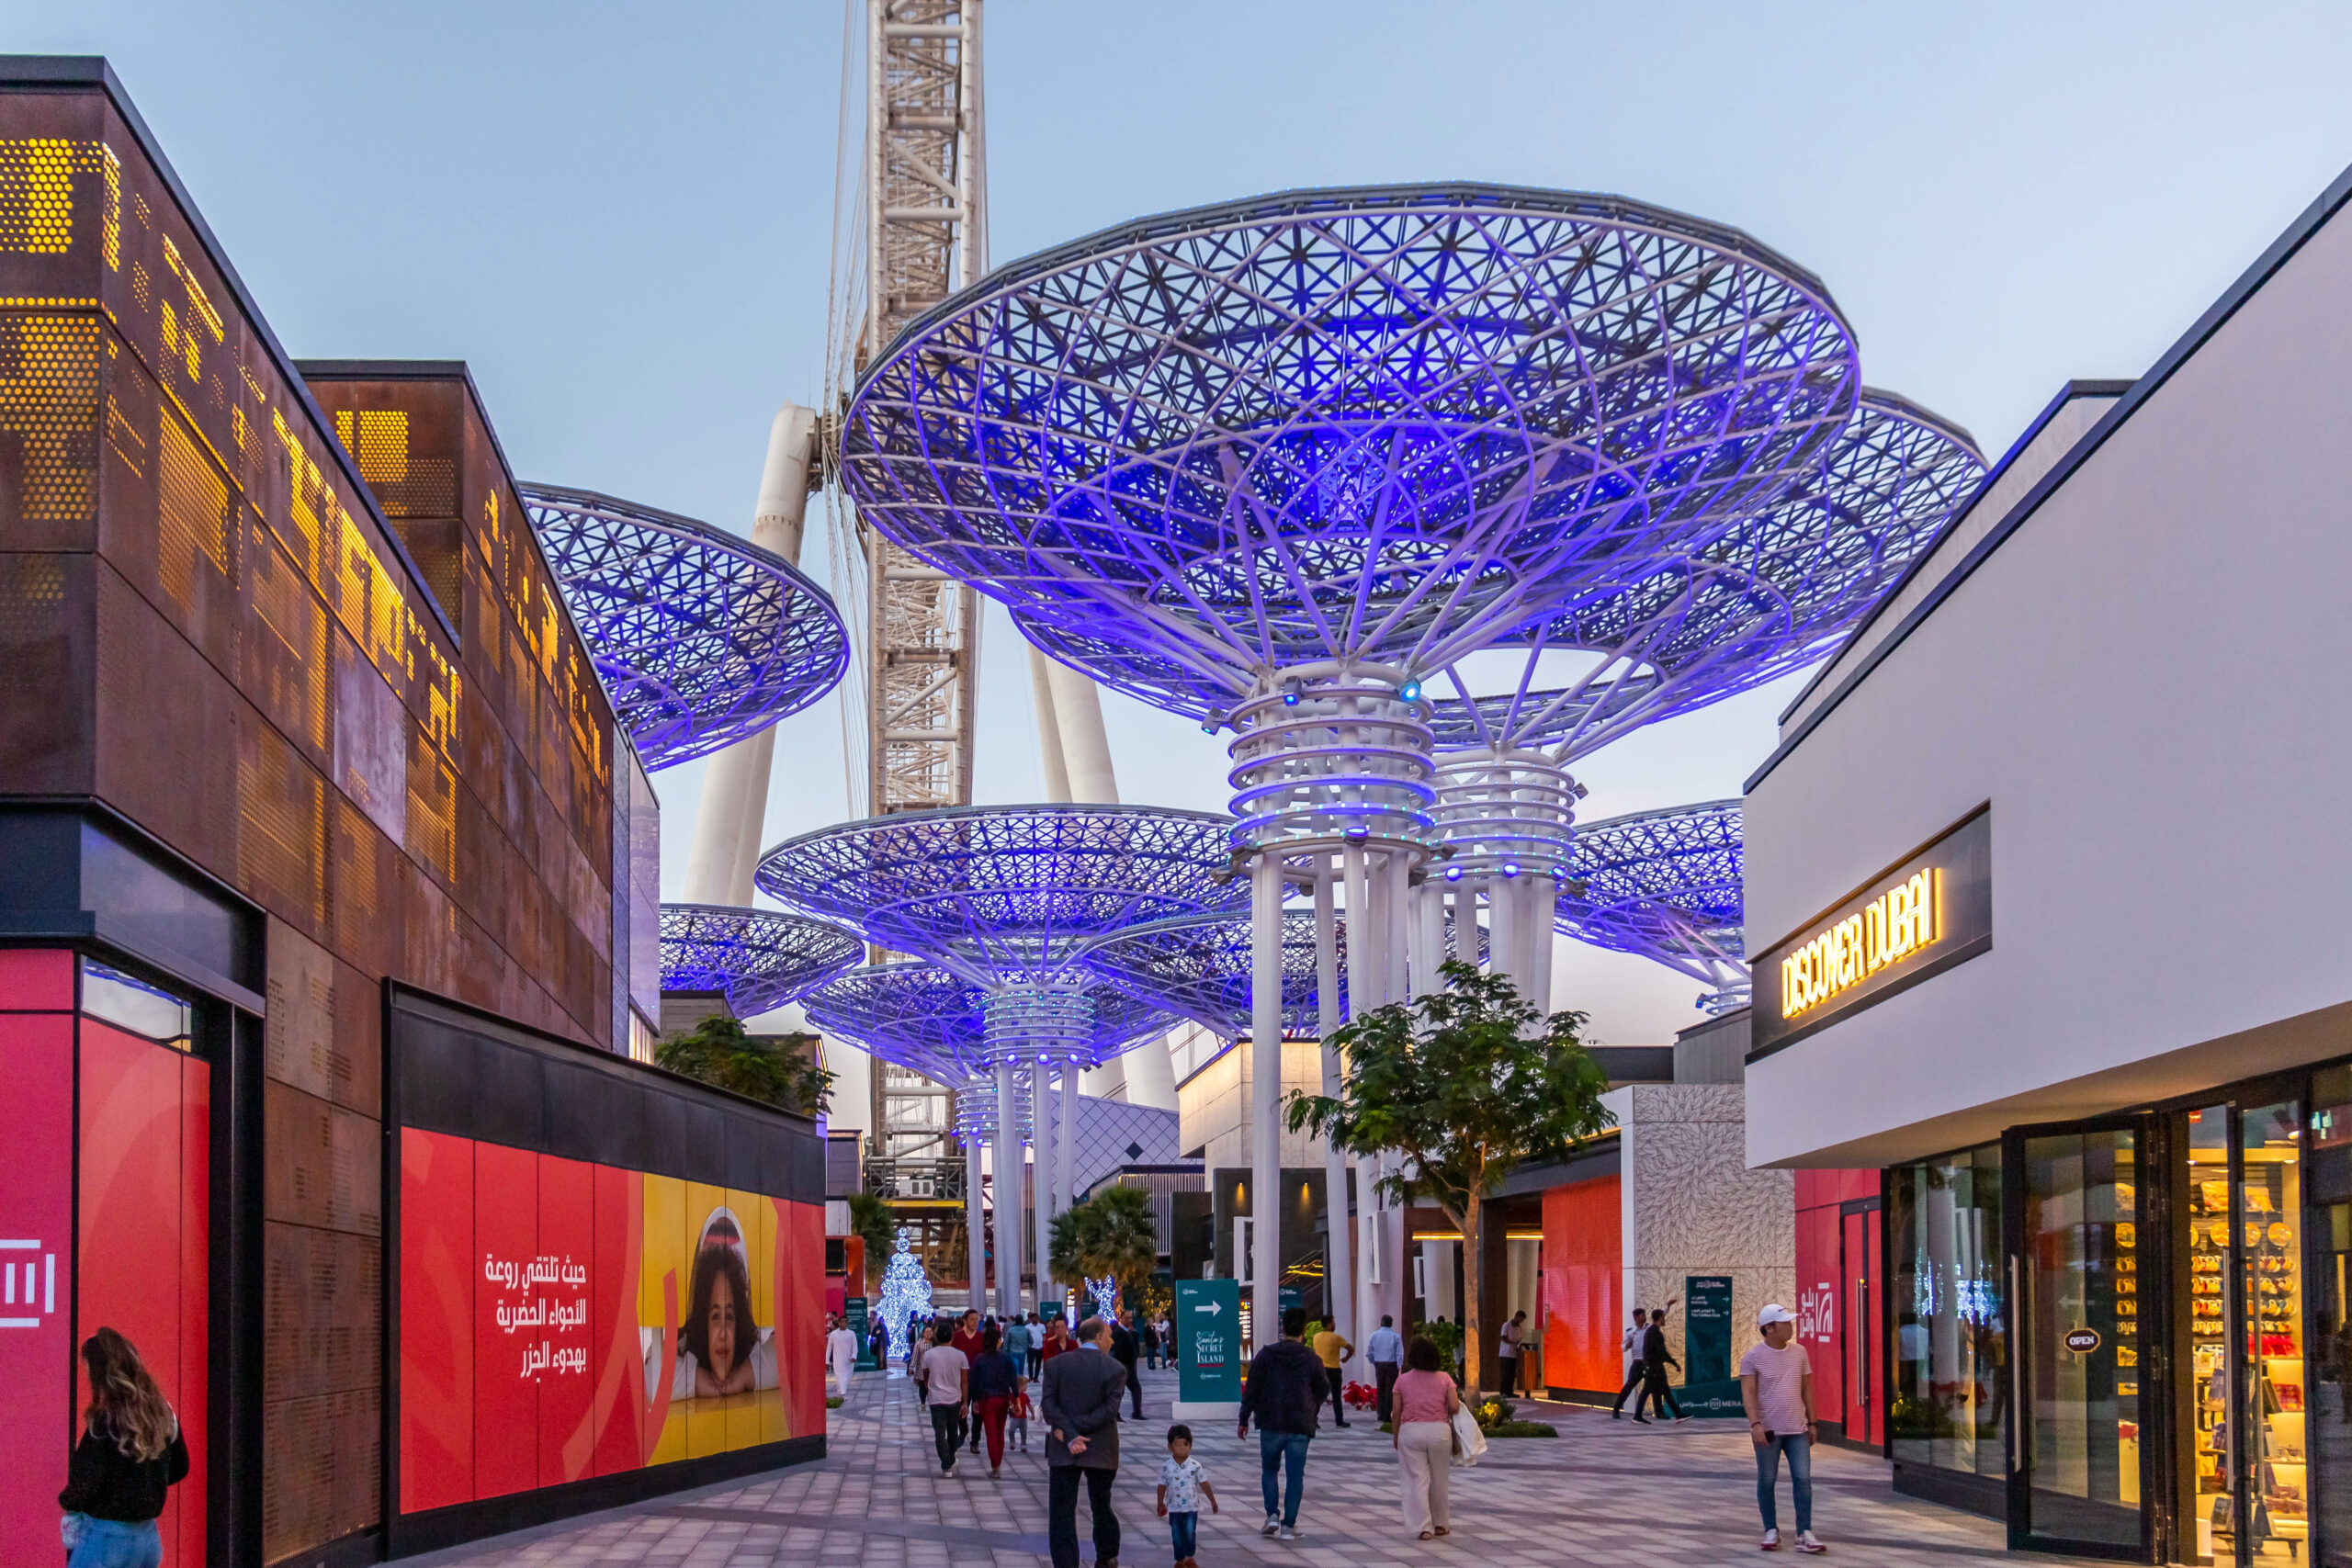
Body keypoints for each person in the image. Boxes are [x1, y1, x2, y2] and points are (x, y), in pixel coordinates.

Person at [59, 1327, 189, 1568]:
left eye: (88, 1369)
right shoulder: (161, 1411)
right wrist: (144, 1479)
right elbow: (180, 1467)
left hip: (105, 1540)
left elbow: (84, 1483)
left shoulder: (105, 1421)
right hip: (148, 1540)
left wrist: (67, 1501)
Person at [1043, 1315, 1128, 1568]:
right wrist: (1074, 1431)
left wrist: (1068, 1432)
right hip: (1101, 1448)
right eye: (1109, 1336)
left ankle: (1066, 1563)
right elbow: (1109, 1410)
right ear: (1099, 1338)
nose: (1112, 1342)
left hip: (1063, 1447)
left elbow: (1048, 1405)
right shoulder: (1115, 1369)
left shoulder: (1055, 1365)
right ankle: (1107, 1556)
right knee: (1101, 1505)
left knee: (1062, 1512)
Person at [1238, 1306, 1327, 1540]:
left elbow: (1252, 1389)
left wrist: (1243, 1418)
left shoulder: (1266, 1355)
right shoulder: (1312, 1359)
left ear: (1282, 1328)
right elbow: (1323, 1389)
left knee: (1269, 1469)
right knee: (1296, 1475)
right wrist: (1312, 1408)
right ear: (1304, 1330)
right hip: (1300, 1424)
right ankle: (1289, 1525)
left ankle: (1272, 1515)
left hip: (1270, 1422)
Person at [1742, 1303, 1826, 1554]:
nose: (1791, 1327)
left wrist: (1813, 1421)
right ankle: (1771, 1529)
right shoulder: (1752, 1358)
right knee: (1767, 1479)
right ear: (1768, 1328)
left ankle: (1804, 1532)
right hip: (1768, 1430)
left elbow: (1806, 1388)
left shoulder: (1799, 1352)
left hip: (1797, 1428)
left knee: (1803, 1479)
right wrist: (1755, 1424)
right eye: (1785, 1323)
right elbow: (1748, 1393)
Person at [1391, 1336, 1461, 1541]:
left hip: (1411, 1432)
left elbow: (1396, 1412)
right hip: (1440, 1432)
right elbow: (1454, 1407)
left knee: (1416, 1480)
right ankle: (1441, 1524)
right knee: (1439, 1479)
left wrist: (1396, 1436)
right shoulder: (1445, 1378)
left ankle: (1423, 1527)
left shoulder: (1402, 1380)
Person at [1157, 1423, 1218, 1568]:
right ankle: (1179, 1559)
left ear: (1190, 1446)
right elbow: (1161, 1485)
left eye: (1185, 1444)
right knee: (1176, 1535)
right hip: (1174, 1508)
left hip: (1191, 1507)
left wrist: (1213, 1501)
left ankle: (1190, 1557)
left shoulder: (1195, 1466)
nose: (1181, 1447)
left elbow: (1204, 1484)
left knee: (1190, 1533)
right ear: (1170, 1447)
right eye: (1177, 1444)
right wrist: (1160, 1503)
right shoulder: (1166, 1467)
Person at [969, 1323, 1023, 1476]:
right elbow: (1014, 1381)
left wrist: (975, 1400)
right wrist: (1017, 1399)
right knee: (1000, 1433)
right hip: (1003, 1399)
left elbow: (974, 1381)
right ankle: (998, 1462)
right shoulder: (1007, 1359)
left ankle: (995, 1467)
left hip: (986, 1399)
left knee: (991, 1434)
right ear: (999, 1341)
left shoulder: (980, 1359)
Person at [922, 1320, 970, 1475]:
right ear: (952, 1336)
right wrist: (965, 1401)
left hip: (936, 1399)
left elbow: (926, 1377)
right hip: (954, 1398)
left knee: (939, 1433)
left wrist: (931, 1389)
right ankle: (948, 1462)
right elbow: (964, 1381)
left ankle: (947, 1462)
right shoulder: (960, 1355)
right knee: (952, 1431)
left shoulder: (929, 1355)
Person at [1634, 1307, 1688, 1424]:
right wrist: (1674, 1363)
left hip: (1652, 1367)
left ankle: (1678, 1414)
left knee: (1661, 1392)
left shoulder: (1651, 1331)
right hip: (1655, 1369)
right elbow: (1661, 1352)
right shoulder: (1655, 1333)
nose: (1665, 1320)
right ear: (1660, 1318)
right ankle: (1637, 1416)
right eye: (1663, 1317)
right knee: (1653, 1391)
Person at [1310, 1320, 1353, 1427]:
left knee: (1318, 1396)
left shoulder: (1316, 1337)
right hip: (1334, 1369)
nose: (1334, 1324)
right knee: (1336, 1396)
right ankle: (1339, 1421)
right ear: (1329, 1324)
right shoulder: (1336, 1338)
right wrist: (1346, 1359)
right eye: (1333, 1322)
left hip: (1320, 1369)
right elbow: (1350, 1348)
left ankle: (1313, 1419)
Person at [1610, 1307, 1648, 1418]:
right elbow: (1623, 1347)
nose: (1644, 1317)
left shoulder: (1648, 1328)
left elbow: (1659, 1318)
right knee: (1629, 1386)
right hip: (1637, 1363)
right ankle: (1616, 1408)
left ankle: (1659, 1411)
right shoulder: (1631, 1332)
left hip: (1648, 1362)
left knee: (1654, 1386)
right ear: (1636, 1317)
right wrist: (1627, 1345)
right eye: (1642, 1315)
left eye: (1645, 1315)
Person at [1365, 1314, 1404, 1424]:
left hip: (1379, 1364)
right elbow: (1399, 1353)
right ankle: (1387, 1414)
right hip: (1392, 1364)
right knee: (1390, 1390)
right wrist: (1399, 1365)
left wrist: (1374, 1362)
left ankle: (1380, 1413)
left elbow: (1369, 1352)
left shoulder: (1374, 1335)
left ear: (1381, 1323)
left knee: (1380, 1389)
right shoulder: (1396, 1336)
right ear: (1391, 1324)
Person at [1113, 1309, 1144, 1419]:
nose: (1130, 1320)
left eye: (1131, 1318)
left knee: (1134, 1389)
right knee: (1120, 1392)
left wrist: (1134, 1333)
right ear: (1121, 1319)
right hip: (1124, 1367)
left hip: (1129, 1368)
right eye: (1127, 1318)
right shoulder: (1119, 1332)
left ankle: (1136, 1413)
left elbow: (1135, 1349)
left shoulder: (1128, 1332)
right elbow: (1119, 1351)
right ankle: (1116, 1414)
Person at [826, 1314, 860, 1402]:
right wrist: (826, 1361)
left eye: (845, 1322)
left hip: (849, 1360)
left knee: (847, 1377)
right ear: (839, 1323)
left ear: (847, 1323)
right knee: (840, 1377)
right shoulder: (833, 1334)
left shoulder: (851, 1334)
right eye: (842, 1322)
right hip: (838, 1360)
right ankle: (842, 1394)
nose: (843, 1324)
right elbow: (829, 1348)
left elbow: (855, 1346)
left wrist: (854, 1356)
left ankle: (841, 1391)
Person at [1497, 1309, 1527, 1398]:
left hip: (1514, 1354)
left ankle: (1510, 1391)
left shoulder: (1519, 1328)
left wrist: (1519, 1345)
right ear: (1516, 1316)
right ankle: (1503, 1392)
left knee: (1512, 1374)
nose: (1521, 1321)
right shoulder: (1506, 1325)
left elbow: (1520, 1338)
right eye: (1520, 1319)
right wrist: (1513, 1342)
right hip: (1505, 1353)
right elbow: (1503, 1338)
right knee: (1505, 1374)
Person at [1005, 1312, 1033, 1383]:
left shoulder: (1011, 1330)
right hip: (1023, 1352)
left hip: (1012, 1352)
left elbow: (1006, 1342)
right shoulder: (1026, 1330)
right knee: (1021, 1369)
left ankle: (1015, 1383)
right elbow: (1031, 1341)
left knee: (1015, 1368)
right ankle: (1021, 1384)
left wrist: (1004, 1352)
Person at [1026, 1312, 1046, 1378]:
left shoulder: (1042, 1326)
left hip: (1040, 1347)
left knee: (1038, 1363)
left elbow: (1044, 1336)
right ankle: (1030, 1377)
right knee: (1030, 1363)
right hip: (1031, 1347)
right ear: (1031, 1319)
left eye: (1036, 1318)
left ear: (1038, 1319)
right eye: (1033, 1318)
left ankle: (1036, 1377)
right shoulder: (1027, 1327)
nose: (1035, 1319)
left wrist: (1043, 1345)